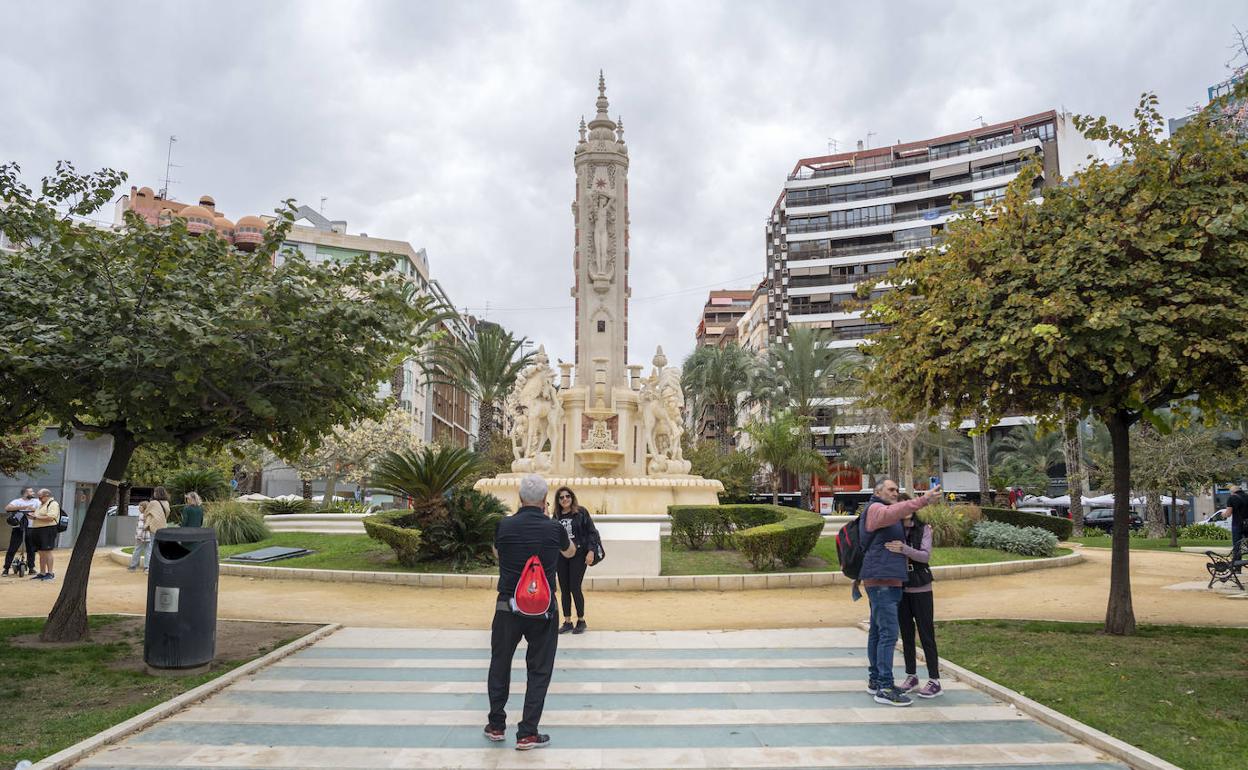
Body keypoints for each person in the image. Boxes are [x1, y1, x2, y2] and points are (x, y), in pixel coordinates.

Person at [485, 474, 575, 750]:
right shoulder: (554, 529)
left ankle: (496, 724)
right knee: (539, 669)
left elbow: (497, 554)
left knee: (500, 662)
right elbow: (570, 552)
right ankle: (527, 732)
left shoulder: (504, 526)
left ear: (520, 499)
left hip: (507, 606)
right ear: (545, 501)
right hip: (543, 609)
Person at [860, 478, 941, 707]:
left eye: (897, 490)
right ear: (877, 491)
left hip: (888, 580)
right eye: (891, 489)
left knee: (877, 632)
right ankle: (885, 687)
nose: (896, 493)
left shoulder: (885, 512)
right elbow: (898, 510)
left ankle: (876, 680)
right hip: (882, 581)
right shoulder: (876, 509)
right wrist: (923, 499)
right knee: (887, 634)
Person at [889, 505, 942, 698]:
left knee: (926, 634)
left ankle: (934, 680)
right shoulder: (894, 530)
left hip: (921, 587)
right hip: (901, 587)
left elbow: (925, 556)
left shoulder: (924, 529)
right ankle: (911, 676)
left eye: (909, 504)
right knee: (907, 635)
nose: (907, 509)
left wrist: (903, 548)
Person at [552, 486, 599, 634]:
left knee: (575, 587)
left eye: (567, 496)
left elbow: (592, 532)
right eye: (561, 497)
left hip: (579, 554)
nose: (565, 499)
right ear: (558, 501)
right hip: (561, 556)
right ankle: (567, 621)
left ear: (572, 497)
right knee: (564, 588)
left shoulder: (581, 512)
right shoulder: (556, 516)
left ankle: (581, 620)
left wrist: (591, 551)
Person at [129, 487, 170, 572]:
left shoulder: (153, 503)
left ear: (157, 493)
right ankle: (156, 566)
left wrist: (148, 520)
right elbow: (168, 513)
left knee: (150, 548)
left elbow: (146, 512)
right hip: (163, 527)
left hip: (154, 527)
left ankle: (147, 567)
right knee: (160, 547)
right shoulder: (166, 503)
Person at [4, 487, 39, 576]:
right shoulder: (17, 501)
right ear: (25, 493)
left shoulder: (36, 501)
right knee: (12, 548)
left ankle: (31, 568)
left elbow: (41, 510)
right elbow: (7, 508)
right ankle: (6, 568)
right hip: (18, 528)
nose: (33, 493)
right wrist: (24, 507)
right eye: (31, 491)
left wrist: (33, 511)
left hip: (31, 527)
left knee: (31, 549)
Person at [28, 489, 60, 581]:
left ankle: (50, 573)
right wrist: (32, 516)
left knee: (47, 551)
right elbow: (39, 516)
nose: (39, 499)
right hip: (38, 529)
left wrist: (35, 516)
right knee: (41, 552)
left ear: (47, 495)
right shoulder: (41, 505)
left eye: (40, 497)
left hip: (48, 529)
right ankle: (42, 572)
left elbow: (50, 517)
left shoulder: (53, 504)